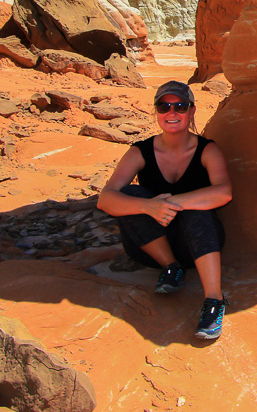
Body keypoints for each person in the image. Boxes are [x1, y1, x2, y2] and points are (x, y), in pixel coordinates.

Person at [97, 80, 233, 339]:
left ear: (192, 111)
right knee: (130, 194)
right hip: (150, 250)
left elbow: (224, 192)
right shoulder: (141, 151)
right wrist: (148, 206)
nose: (172, 113)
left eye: (180, 106)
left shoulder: (207, 150)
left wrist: (172, 203)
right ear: (157, 112)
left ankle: (214, 301)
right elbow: (105, 199)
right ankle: (171, 268)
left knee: (197, 208)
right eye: (164, 106)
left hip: (197, 246)